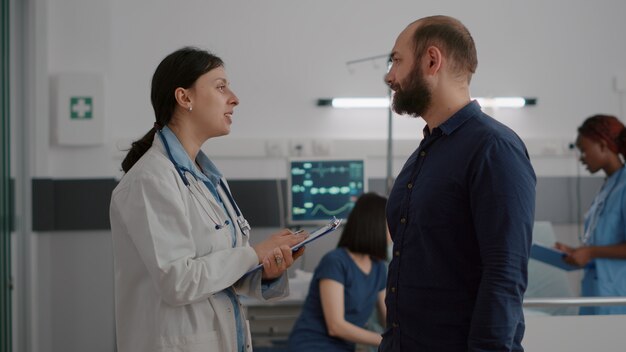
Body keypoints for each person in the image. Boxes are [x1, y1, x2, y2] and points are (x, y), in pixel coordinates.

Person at [109, 47, 307, 352]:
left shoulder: (208, 178)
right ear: (184, 98)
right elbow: (178, 281)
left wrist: (265, 270)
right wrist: (254, 254)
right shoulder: (150, 179)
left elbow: (219, 273)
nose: (234, 98)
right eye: (220, 86)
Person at [381, 16, 536, 351]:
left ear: (432, 60)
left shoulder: (493, 149)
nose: (390, 76)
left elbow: (503, 275)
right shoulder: (424, 155)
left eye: (396, 60)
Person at [288, 192, 388, 351]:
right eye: (390, 222)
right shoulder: (335, 262)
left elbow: (388, 319)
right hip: (312, 345)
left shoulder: (379, 268)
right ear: (374, 224)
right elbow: (336, 326)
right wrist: (386, 342)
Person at [555, 114, 626, 315]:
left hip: (618, 298)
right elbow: (604, 241)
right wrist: (575, 252)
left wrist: (591, 252)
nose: (581, 157)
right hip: (597, 294)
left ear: (603, 145)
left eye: (584, 150)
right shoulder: (608, 187)